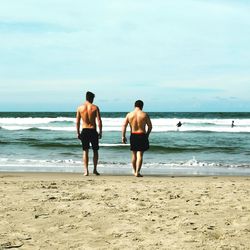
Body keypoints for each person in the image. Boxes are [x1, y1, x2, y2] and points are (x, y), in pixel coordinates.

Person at [122, 100, 152, 177]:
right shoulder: (144, 114)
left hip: (133, 135)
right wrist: (147, 134)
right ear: (142, 106)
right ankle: (137, 172)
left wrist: (123, 136)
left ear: (134, 106)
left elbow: (124, 126)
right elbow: (150, 126)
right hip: (142, 134)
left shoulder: (129, 114)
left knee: (134, 154)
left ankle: (135, 171)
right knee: (140, 154)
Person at [76, 91, 102, 176]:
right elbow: (99, 121)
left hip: (84, 130)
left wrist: (78, 133)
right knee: (95, 151)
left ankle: (86, 171)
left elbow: (77, 122)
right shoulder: (95, 107)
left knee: (85, 151)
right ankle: (94, 169)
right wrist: (100, 132)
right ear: (91, 98)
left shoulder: (80, 108)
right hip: (93, 130)